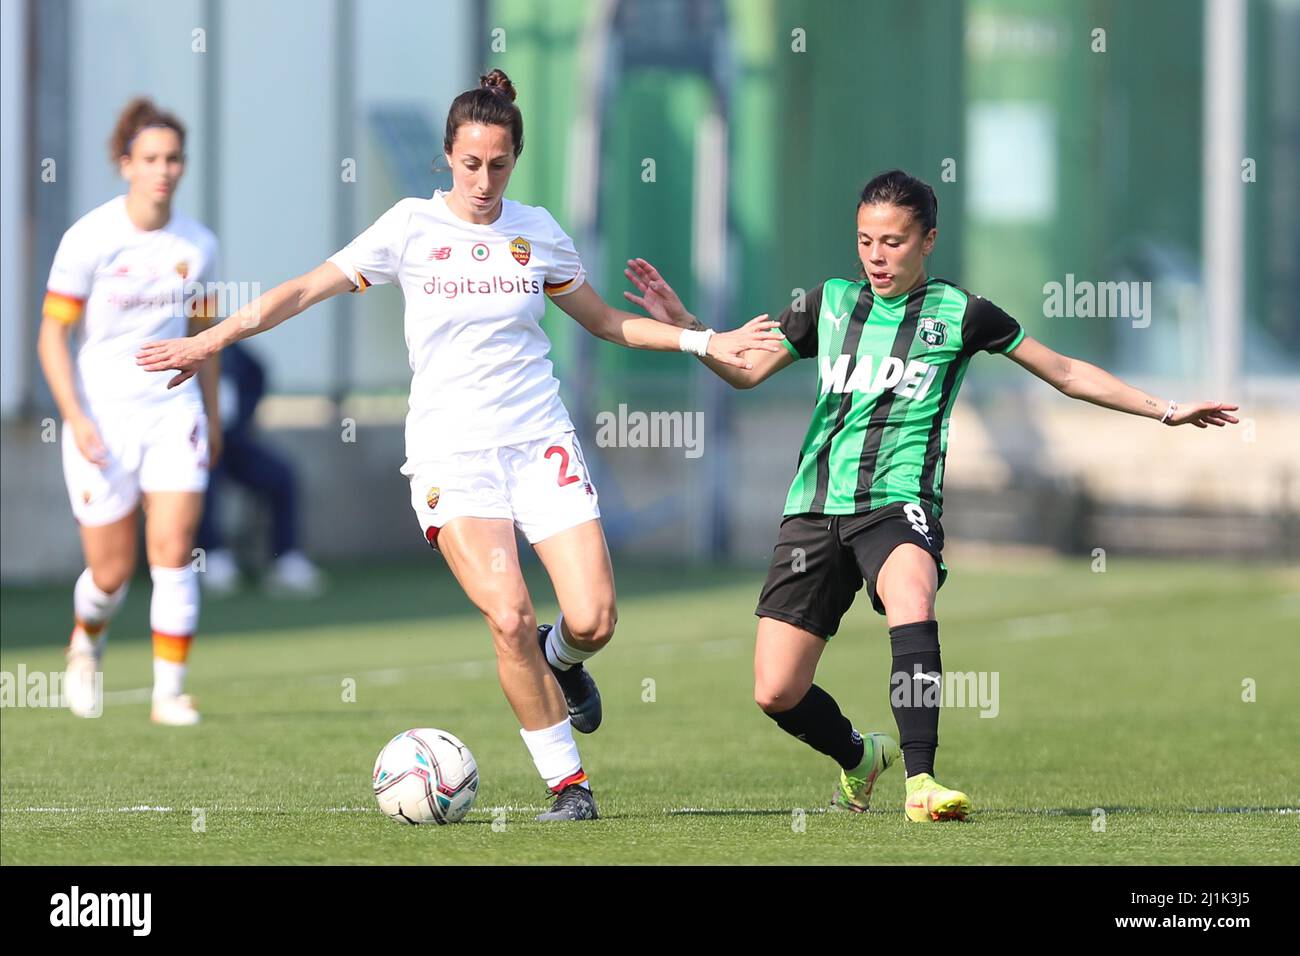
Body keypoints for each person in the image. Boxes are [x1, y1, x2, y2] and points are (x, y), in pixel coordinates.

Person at [137, 70, 781, 820]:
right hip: (453, 456)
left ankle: (560, 658)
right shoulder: (408, 227)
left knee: (595, 620)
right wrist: (207, 339)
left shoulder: (536, 231)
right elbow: (303, 290)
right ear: (448, 155)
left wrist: (706, 340)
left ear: (515, 160)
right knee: (506, 613)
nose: (483, 180)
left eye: (498, 164)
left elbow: (605, 323)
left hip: (538, 440)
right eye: (470, 163)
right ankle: (569, 788)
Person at [624, 168, 1239, 822]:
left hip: (899, 502)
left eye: (893, 241)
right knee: (776, 690)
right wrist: (689, 327)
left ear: (928, 241)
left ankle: (923, 781)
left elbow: (1063, 371)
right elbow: (745, 371)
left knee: (911, 593)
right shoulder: (827, 302)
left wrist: (1166, 409)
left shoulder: (963, 313)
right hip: (813, 508)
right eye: (865, 241)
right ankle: (862, 757)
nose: (877, 256)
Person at [38, 97, 222, 726]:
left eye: (173, 158)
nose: (163, 170)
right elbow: (50, 336)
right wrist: (76, 415)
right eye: (150, 159)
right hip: (102, 421)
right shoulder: (89, 238)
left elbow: (206, 338)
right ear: (126, 165)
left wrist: (214, 418)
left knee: (171, 549)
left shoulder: (198, 245)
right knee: (111, 572)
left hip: (175, 413)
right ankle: (85, 644)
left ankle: (169, 693)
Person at [197, 341, 325, 597]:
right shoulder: (174, 340)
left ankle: (286, 559)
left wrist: (243, 416)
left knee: (281, 475)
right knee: (205, 479)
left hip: (233, 439)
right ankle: (210, 556)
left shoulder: (226, 343)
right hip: (192, 442)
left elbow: (256, 372)